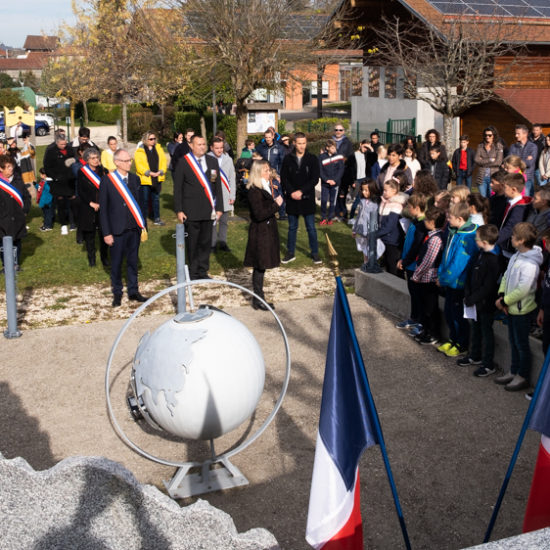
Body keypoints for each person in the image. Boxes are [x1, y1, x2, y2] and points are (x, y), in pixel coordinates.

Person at [494, 222, 543, 391]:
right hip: (510, 307)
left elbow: (524, 289)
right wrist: (502, 296)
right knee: (513, 341)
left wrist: (505, 301)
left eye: (514, 236)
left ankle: (522, 375)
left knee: (522, 344)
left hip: (521, 310)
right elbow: (507, 277)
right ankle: (513, 370)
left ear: (521, 240)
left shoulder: (531, 264)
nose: (511, 238)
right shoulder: (516, 256)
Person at [99, 149, 148, 307]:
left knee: (133, 261)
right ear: (117, 162)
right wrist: (106, 233)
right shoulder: (107, 180)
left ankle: (133, 291)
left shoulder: (135, 179)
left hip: (133, 228)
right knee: (116, 263)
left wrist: (143, 226)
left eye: (130, 160)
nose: (129, 163)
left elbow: (140, 205)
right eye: (126, 161)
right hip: (116, 230)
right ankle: (117, 293)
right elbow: (104, 209)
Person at [173, 135, 223, 280]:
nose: (202, 147)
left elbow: (217, 186)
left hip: (209, 209)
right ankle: (193, 272)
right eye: (199, 144)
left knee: (206, 242)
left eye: (203, 144)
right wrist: (179, 210)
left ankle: (203, 270)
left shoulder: (212, 161)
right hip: (191, 210)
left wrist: (219, 207)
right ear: (192, 146)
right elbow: (178, 189)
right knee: (193, 243)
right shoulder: (183, 162)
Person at [437, 201, 478, 357]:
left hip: (458, 283)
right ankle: (452, 339)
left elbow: (458, 264)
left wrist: (444, 279)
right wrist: (441, 274)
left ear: (460, 219)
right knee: (449, 312)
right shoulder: (455, 231)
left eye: (450, 217)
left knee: (458, 315)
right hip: (449, 282)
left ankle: (461, 343)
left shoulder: (467, 237)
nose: (448, 220)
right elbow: (446, 257)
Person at [459, 224, 502, 377]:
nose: (475, 241)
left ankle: (488, 363)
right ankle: (474, 355)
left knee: (486, 332)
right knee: (475, 329)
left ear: (484, 241)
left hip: (485, 304)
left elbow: (488, 286)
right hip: (474, 302)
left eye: (477, 239)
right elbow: (472, 275)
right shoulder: (480, 254)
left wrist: (473, 298)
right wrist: (468, 294)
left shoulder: (494, 260)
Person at [243, 160, 283, 310]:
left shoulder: (264, 186)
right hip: (260, 233)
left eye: (269, 170)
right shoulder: (254, 190)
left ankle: (258, 298)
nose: (269, 173)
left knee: (261, 266)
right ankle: (259, 299)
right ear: (258, 172)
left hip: (266, 231)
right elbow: (259, 214)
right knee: (260, 265)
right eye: (266, 171)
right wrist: (276, 205)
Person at [280, 132, 321, 265]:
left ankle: (315, 253)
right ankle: (290, 252)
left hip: (307, 197)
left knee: (311, 227)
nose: (302, 146)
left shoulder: (312, 158)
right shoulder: (287, 159)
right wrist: (292, 192)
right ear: (294, 143)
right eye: (299, 143)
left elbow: (315, 178)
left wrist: (302, 191)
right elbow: (284, 178)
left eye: (304, 143)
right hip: (292, 199)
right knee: (292, 227)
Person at [411, 206, 446, 345]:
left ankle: (434, 333)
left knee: (430, 308)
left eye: (426, 219)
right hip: (424, 278)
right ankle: (425, 330)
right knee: (425, 307)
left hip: (428, 278)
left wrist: (417, 275)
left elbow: (428, 261)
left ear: (432, 222)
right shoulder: (432, 236)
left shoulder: (435, 240)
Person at [396, 192, 429, 330]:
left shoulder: (422, 225)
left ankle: (420, 321)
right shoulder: (415, 221)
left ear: (416, 207)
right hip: (409, 264)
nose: (407, 209)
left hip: (415, 265)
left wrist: (405, 261)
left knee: (419, 295)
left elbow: (416, 247)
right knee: (413, 293)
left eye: (409, 206)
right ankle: (414, 317)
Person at [78, 148, 109, 268]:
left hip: (102, 206)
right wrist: (90, 203)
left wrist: (102, 203)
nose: (96, 160)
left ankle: (104, 257)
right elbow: (81, 191)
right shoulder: (82, 172)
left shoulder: (103, 171)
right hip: (88, 207)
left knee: (104, 233)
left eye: (97, 158)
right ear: (87, 160)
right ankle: (92, 259)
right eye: (93, 158)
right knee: (89, 235)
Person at [0, 154, 31, 270]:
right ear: (1, 169)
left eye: (11, 166)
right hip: (3, 219)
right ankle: (6, 265)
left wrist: (25, 211)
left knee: (17, 241)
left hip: (17, 218)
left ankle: (16, 264)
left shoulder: (18, 181)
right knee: (3, 243)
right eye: (7, 167)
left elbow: (27, 197)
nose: (11, 169)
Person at [43, 133, 77, 235]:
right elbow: (47, 166)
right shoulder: (51, 151)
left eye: (65, 143)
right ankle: (63, 225)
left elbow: (75, 160)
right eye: (62, 144)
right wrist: (55, 177)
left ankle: (72, 223)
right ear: (57, 143)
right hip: (58, 183)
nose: (64, 145)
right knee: (61, 204)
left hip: (69, 180)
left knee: (71, 203)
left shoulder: (70, 149)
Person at [208, 136, 236, 251]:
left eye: (221, 148)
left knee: (224, 220)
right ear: (211, 148)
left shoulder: (228, 159)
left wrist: (232, 195)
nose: (219, 150)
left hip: (225, 194)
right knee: (213, 220)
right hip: (213, 194)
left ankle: (223, 242)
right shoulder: (207, 159)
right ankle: (213, 243)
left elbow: (232, 178)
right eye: (217, 148)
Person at [375, 177, 408, 277]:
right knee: (387, 264)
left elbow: (389, 225)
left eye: (386, 190)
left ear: (394, 191)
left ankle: (398, 286)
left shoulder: (396, 205)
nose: (383, 192)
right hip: (384, 238)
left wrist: (375, 234)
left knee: (393, 265)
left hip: (393, 240)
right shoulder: (384, 202)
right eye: (383, 190)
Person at [134, 131, 167, 226]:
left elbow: (163, 161)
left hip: (157, 178)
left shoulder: (159, 149)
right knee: (144, 200)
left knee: (156, 199)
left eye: (154, 138)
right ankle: (142, 219)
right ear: (145, 140)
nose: (153, 140)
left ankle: (156, 218)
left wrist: (161, 171)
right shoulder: (140, 151)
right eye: (151, 139)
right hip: (145, 179)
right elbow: (139, 165)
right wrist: (149, 173)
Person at [496, 173, 532, 261]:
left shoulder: (520, 208)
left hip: (510, 249)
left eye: (505, 187)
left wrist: (493, 240)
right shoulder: (511, 203)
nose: (503, 190)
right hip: (504, 245)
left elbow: (511, 227)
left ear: (513, 189)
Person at [352, 178, 380, 270]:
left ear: (372, 190)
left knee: (370, 247)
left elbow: (375, 220)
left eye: (366, 190)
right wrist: (354, 229)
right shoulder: (363, 201)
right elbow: (359, 216)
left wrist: (372, 232)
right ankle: (365, 262)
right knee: (364, 247)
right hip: (361, 230)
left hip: (369, 231)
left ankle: (371, 264)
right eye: (363, 190)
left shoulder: (375, 204)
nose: (364, 192)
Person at [318, 139, 345, 225]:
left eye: (335, 148)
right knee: (324, 200)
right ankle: (323, 218)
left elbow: (341, 170)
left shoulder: (339, 157)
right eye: (333, 148)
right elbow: (320, 170)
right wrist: (326, 180)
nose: (335, 149)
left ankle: (330, 218)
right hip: (325, 184)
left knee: (333, 201)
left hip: (335, 184)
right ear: (327, 148)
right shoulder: (321, 157)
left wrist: (334, 180)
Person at [509, 124, 538, 197]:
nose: (516, 135)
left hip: (527, 179)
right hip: (515, 179)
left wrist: (515, 161)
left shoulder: (533, 147)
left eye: (518, 133)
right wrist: (525, 159)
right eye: (515, 133)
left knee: (526, 200)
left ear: (525, 134)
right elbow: (509, 162)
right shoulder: (513, 146)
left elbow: (529, 163)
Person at [474, 126, 503, 198]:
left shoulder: (499, 146)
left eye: (489, 135)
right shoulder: (480, 146)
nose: (487, 137)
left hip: (493, 177)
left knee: (492, 197)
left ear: (494, 136)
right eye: (486, 135)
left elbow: (498, 162)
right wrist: (490, 160)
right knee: (482, 198)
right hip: (482, 177)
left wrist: (482, 161)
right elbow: (476, 160)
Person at [35, 167, 54, 232]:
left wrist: (48, 202)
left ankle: (48, 226)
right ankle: (46, 224)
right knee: (45, 214)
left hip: (47, 202)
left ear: (44, 175)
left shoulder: (48, 183)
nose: (40, 175)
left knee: (48, 214)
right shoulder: (43, 182)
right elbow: (40, 188)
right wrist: (36, 185)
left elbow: (49, 194)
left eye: (41, 174)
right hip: (43, 201)